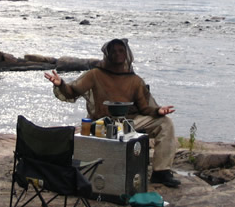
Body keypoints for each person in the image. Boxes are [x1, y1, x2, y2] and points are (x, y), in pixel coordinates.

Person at [44, 38, 180, 188]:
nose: (118, 54)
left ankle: (161, 172)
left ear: (127, 54)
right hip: (102, 123)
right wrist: (61, 84)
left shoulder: (134, 80)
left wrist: (158, 110)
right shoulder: (95, 74)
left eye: (121, 50)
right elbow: (72, 91)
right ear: (107, 54)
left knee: (165, 123)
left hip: (129, 122)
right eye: (114, 51)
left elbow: (144, 108)